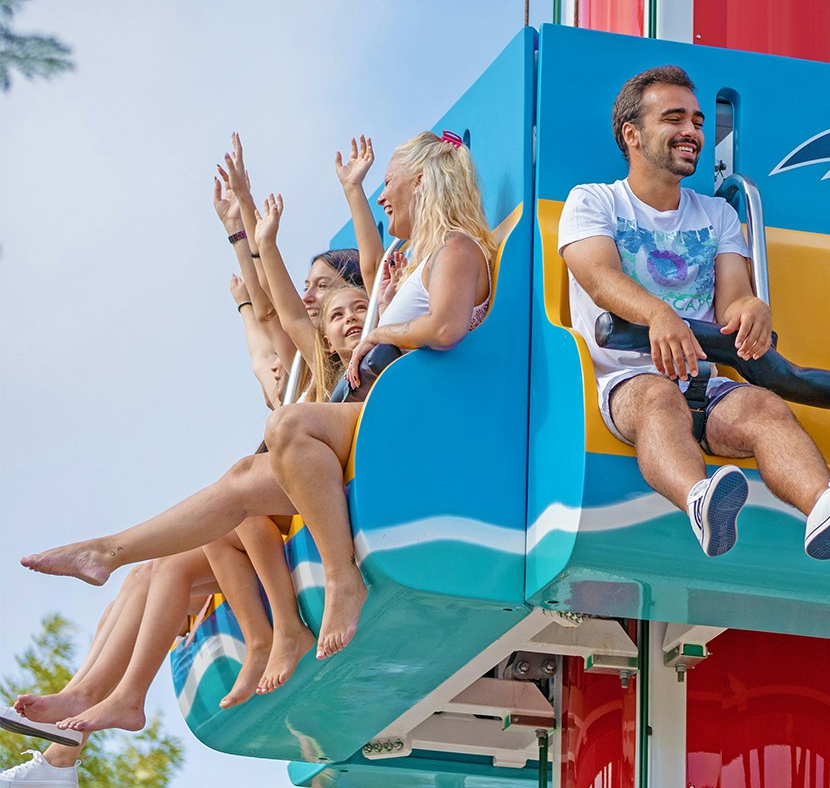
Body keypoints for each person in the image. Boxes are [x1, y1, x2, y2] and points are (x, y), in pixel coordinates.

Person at [22, 132, 496, 662]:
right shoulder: (414, 260)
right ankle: (109, 551)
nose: (383, 196)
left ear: (423, 179)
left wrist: (382, 334)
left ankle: (343, 579)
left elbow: (448, 326)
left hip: (401, 417)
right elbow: (352, 285)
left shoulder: (456, 246)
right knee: (243, 479)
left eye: (388, 182)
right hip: (373, 415)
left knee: (288, 425)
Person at [558, 65, 830, 559]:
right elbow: (600, 278)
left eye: (696, 121)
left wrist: (752, 307)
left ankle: (824, 506)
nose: (692, 131)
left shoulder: (717, 214)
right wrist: (660, 315)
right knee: (657, 400)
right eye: (674, 119)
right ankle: (699, 500)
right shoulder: (593, 201)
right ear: (632, 134)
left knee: (765, 407)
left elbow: (732, 297)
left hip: (705, 379)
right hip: (627, 379)